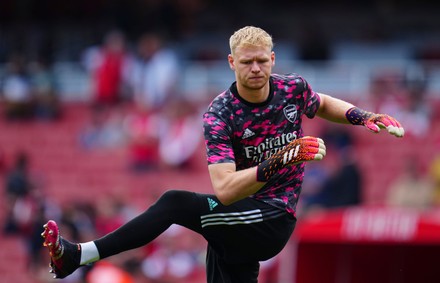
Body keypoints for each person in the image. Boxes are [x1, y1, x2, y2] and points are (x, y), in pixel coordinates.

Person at [41, 26, 404, 282]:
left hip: (273, 219)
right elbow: (226, 190)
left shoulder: (292, 88)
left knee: (174, 202)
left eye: (262, 60)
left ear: (273, 59)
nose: (256, 69)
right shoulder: (220, 114)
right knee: (214, 239)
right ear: (232, 62)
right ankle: (75, 257)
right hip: (239, 215)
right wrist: (281, 158)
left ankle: (79, 255)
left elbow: (320, 103)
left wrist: (363, 116)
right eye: (247, 62)